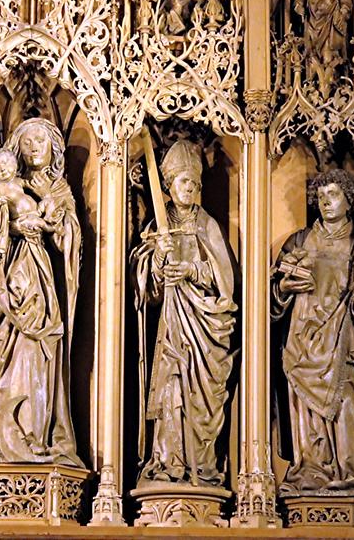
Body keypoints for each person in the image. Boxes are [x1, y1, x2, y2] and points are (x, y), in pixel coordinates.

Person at [0, 118, 82, 466]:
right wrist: (15, 227)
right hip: (11, 286)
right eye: (27, 142)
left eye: (41, 142)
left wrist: (58, 226)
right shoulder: (2, 189)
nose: (34, 148)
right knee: (18, 355)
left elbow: (70, 242)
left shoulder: (60, 190)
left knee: (40, 352)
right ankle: (11, 437)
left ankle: (38, 435)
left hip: (42, 284)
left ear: (54, 149)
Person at [131, 140, 236, 486]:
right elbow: (144, 285)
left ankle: (200, 465)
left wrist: (192, 270)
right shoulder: (156, 228)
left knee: (199, 395)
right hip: (171, 328)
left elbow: (225, 282)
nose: (188, 188)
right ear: (168, 186)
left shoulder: (208, 226)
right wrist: (158, 258)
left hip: (203, 328)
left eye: (193, 183)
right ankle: (167, 462)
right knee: (170, 392)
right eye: (181, 182)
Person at [272, 169, 354, 494]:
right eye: (321, 197)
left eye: (333, 195)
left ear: (349, 200)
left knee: (344, 401)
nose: (326, 202)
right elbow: (272, 298)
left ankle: (351, 474)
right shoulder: (300, 241)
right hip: (302, 342)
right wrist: (285, 287)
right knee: (304, 415)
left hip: (339, 340)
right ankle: (311, 472)